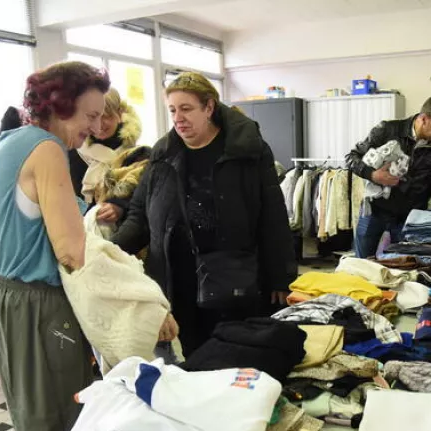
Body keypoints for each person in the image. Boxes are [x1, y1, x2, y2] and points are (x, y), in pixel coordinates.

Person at [0, 61, 177, 431]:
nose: (94, 127)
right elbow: (73, 253)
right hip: (37, 305)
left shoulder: (12, 141)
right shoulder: (47, 149)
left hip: (9, 300)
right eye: (89, 116)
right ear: (58, 105)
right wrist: (145, 305)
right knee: (62, 425)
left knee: (37, 419)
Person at [112, 72, 297, 356]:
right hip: (177, 279)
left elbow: (272, 216)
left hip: (232, 280)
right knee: (187, 358)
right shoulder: (163, 152)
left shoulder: (246, 151)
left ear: (209, 107)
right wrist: (108, 253)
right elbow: (140, 213)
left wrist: (280, 278)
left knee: (230, 356)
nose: (178, 118)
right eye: (172, 110)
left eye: (186, 109)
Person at [346, 95, 431, 258]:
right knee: (361, 264)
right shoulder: (386, 130)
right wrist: (372, 175)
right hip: (374, 210)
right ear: (423, 119)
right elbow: (352, 157)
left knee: (404, 268)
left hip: (410, 218)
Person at [68, 88, 150, 227]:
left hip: (128, 237)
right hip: (83, 235)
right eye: (93, 117)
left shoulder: (138, 154)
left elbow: (144, 199)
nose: (99, 124)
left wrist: (120, 207)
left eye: (107, 116)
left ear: (120, 113)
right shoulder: (74, 153)